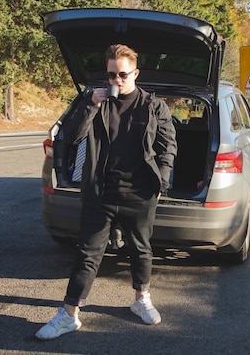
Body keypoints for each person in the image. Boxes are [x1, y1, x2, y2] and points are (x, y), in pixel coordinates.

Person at [35, 44, 177, 340]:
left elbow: (168, 147)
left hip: (139, 193)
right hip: (100, 192)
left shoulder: (153, 106)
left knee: (141, 249)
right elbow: (71, 137)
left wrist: (161, 183)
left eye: (122, 74)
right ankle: (69, 314)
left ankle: (141, 300)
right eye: (111, 74)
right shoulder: (94, 101)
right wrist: (90, 104)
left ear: (135, 73)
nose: (116, 80)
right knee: (87, 253)